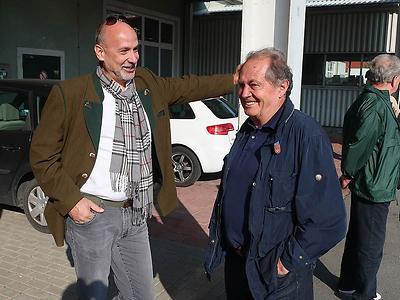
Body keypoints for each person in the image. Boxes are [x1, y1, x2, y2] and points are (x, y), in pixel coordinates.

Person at [30, 15, 235, 300]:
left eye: (136, 49)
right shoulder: (72, 94)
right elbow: (42, 156)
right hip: (94, 216)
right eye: (123, 51)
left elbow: (190, 86)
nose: (133, 58)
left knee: (141, 295)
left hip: (137, 213)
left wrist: (236, 79)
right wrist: (73, 203)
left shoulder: (146, 85)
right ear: (100, 52)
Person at [204, 48, 347, 300]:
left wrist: (284, 263)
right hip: (237, 264)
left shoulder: (306, 135)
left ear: (282, 87)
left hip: (277, 278)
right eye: (241, 85)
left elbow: (329, 221)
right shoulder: (249, 129)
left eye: (254, 85)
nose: (243, 93)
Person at [337, 54, 400, 300]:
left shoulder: (374, 100)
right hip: (374, 184)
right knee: (370, 245)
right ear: (394, 79)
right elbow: (361, 141)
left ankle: (348, 284)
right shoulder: (375, 104)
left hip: (372, 182)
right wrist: (348, 173)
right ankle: (365, 293)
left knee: (359, 238)